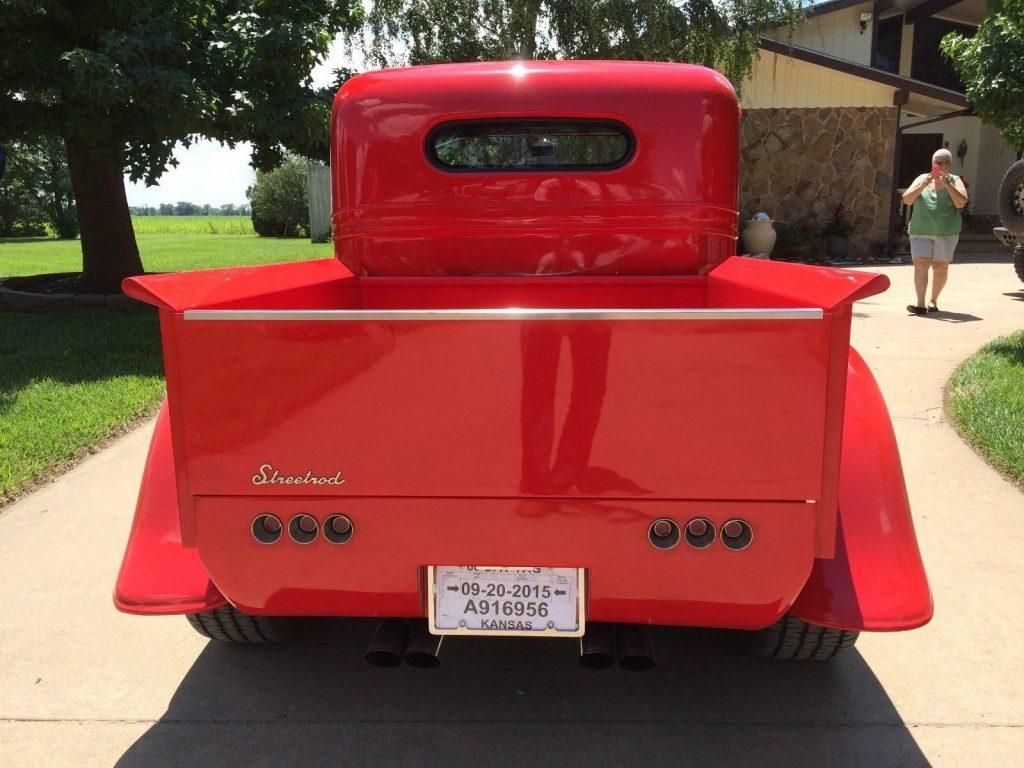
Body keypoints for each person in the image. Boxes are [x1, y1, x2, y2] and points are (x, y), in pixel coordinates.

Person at [901, 148, 969, 314]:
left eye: (946, 162)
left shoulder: (955, 180)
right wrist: (923, 184)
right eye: (938, 162)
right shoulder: (923, 178)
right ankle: (920, 304)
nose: (942, 165)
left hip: (946, 232)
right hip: (920, 230)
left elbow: (961, 203)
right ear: (932, 164)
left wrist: (947, 184)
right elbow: (907, 199)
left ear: (950, 165)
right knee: (920, 264)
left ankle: (933, 301)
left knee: (940, 267)